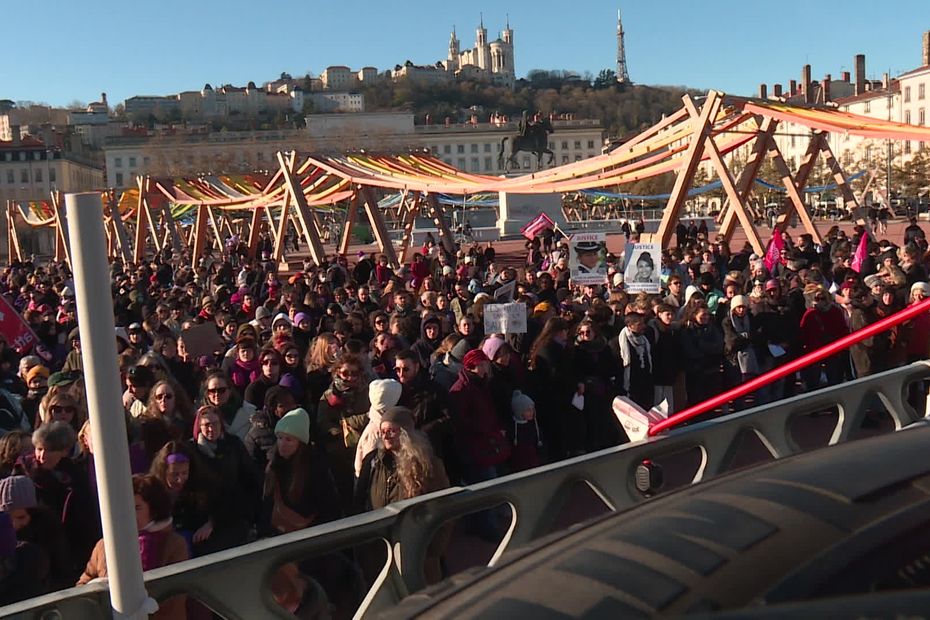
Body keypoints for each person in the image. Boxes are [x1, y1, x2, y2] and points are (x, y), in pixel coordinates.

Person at [354, 406, 450, 584]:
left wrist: (434, 550)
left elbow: (443, 507)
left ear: (406, 433)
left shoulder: (428, 465)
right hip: (381, 550)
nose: (385, 436)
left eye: (391, 430)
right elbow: (360, 501)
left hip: (418, 551)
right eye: (383, 431)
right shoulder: (374, 461)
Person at [78, 475, 188, 619]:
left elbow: (176, 593)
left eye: (137, 507)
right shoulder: (104, 545)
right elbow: (84, 583)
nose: (129, 513)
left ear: (154, 510)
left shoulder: (174, 544)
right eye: (124, 506)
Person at [261, 408, 340, 535]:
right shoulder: (273, 465)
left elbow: (329, 507)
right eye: (280, 438)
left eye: (289, 439)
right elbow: (266, 504)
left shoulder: (315, 467)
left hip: (310, 537)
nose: (282, 444)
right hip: (278, 536)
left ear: (300, 443)